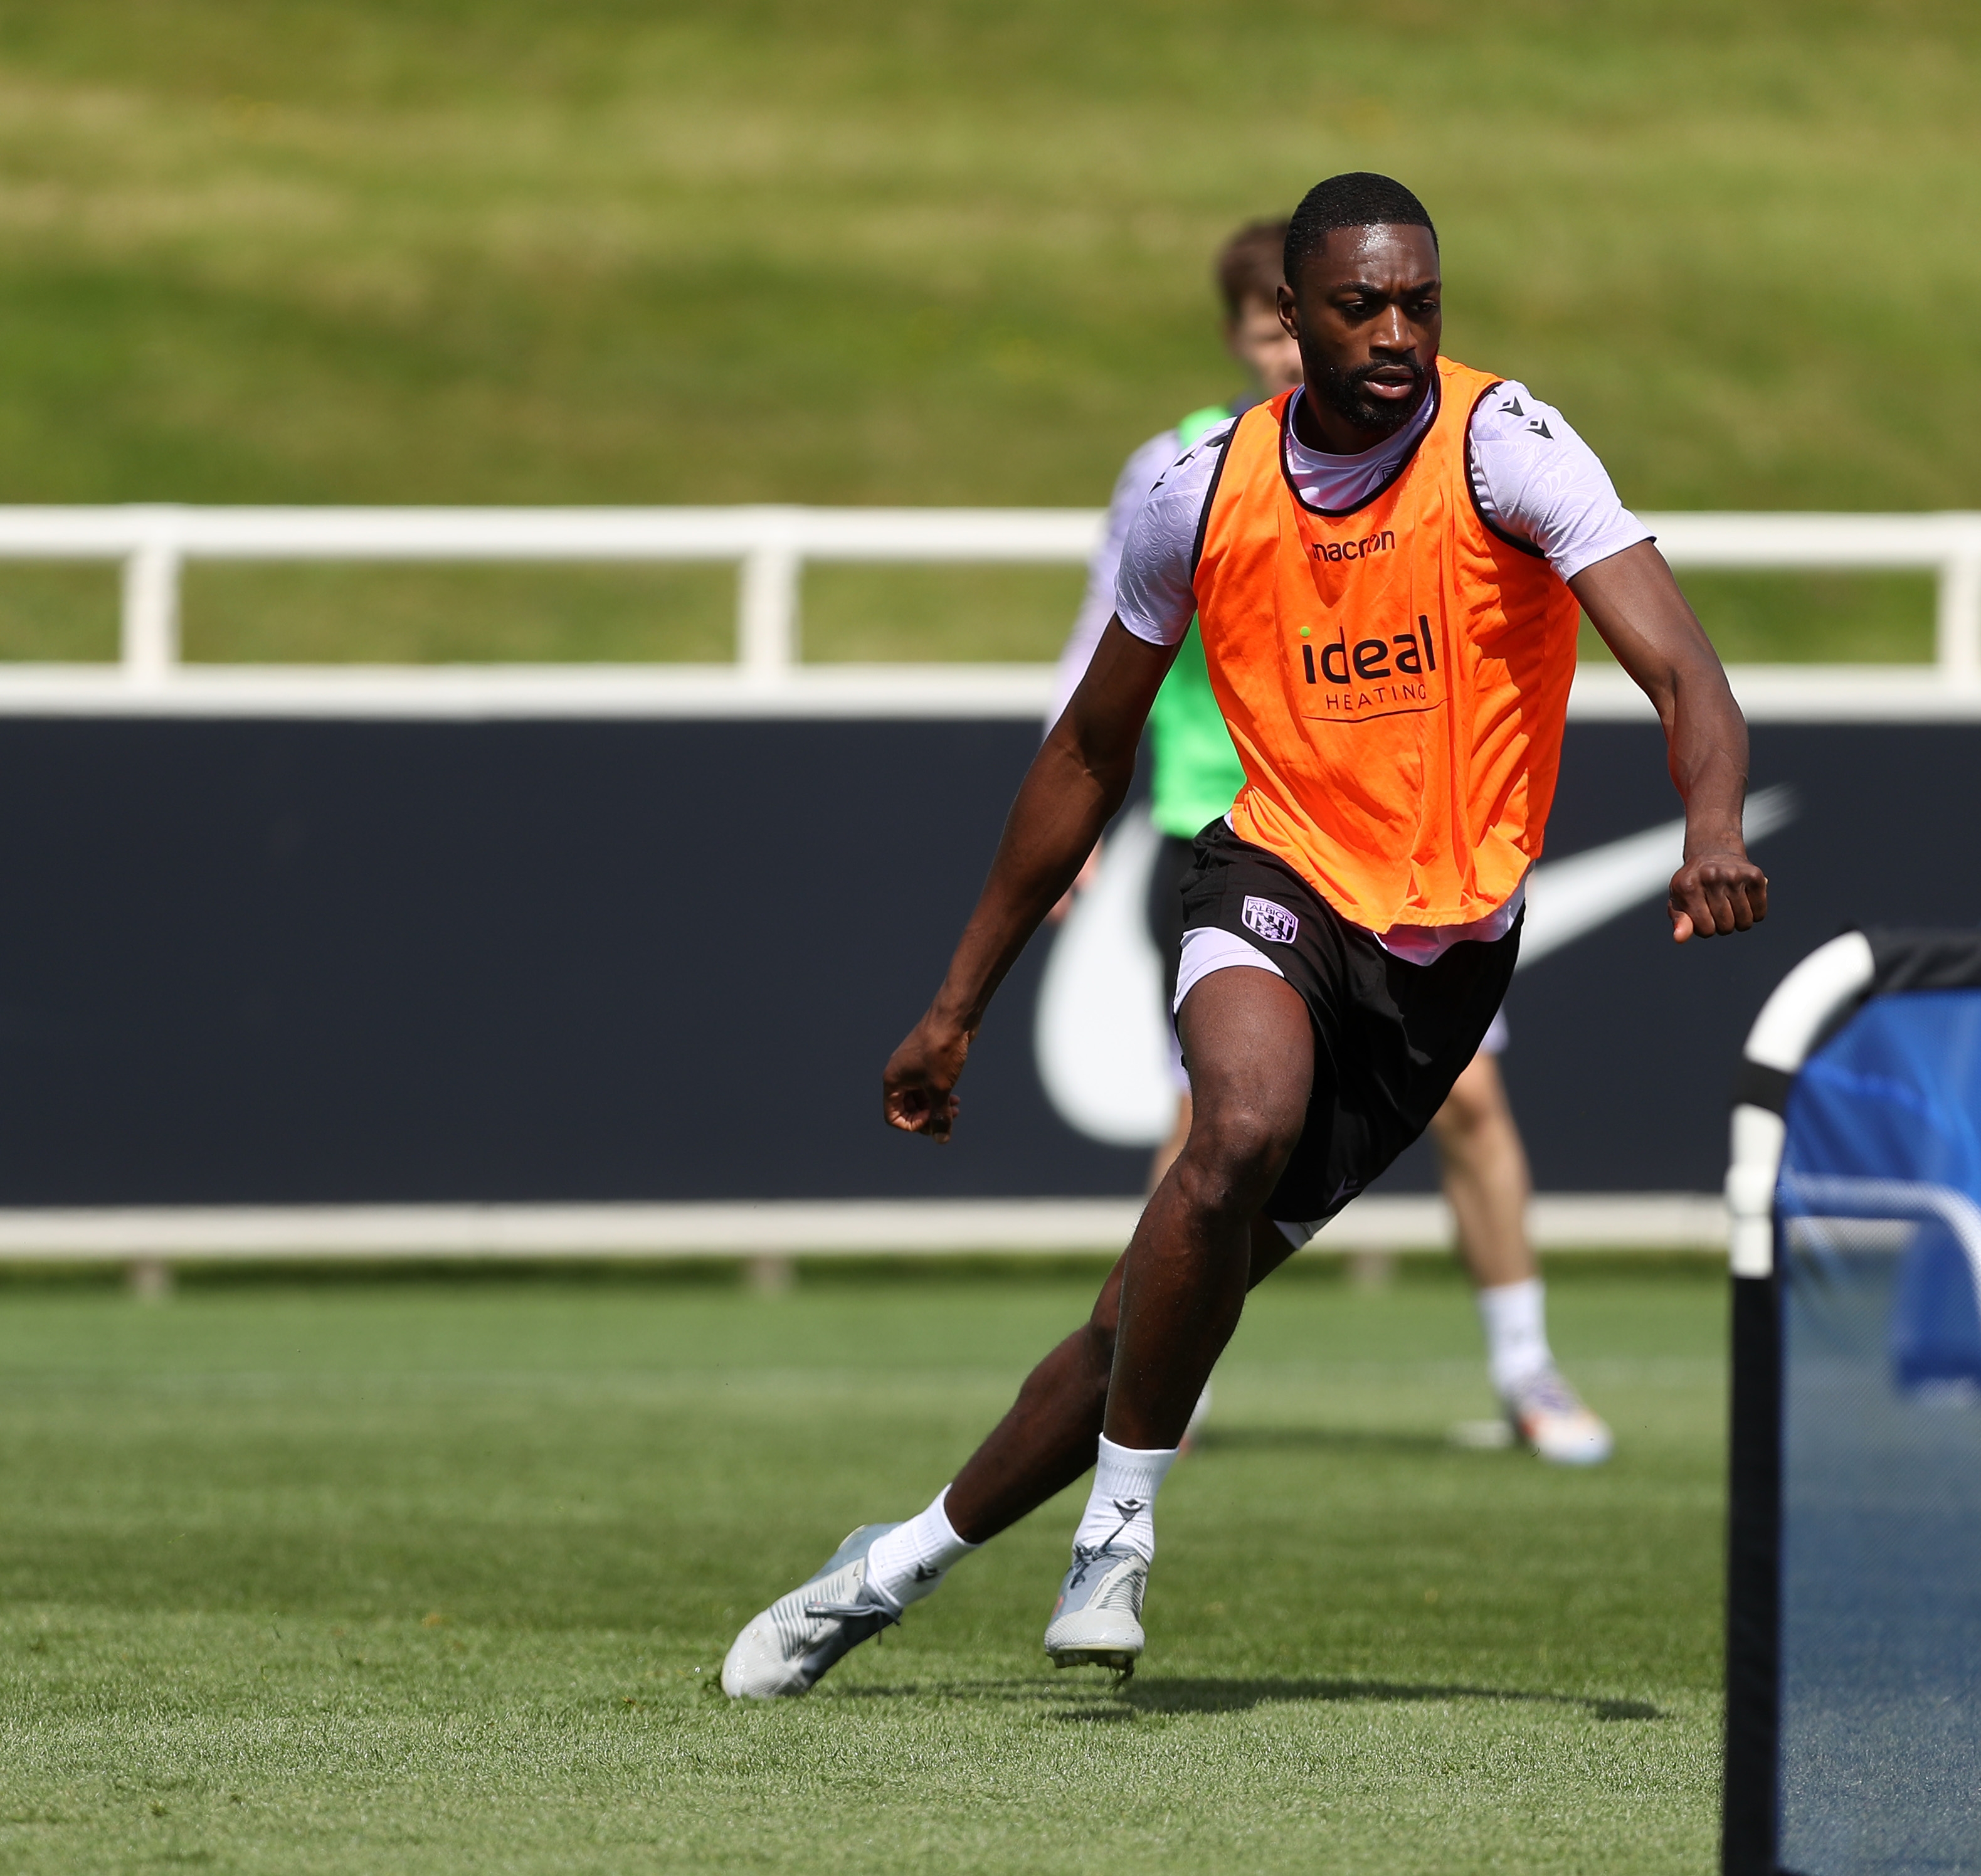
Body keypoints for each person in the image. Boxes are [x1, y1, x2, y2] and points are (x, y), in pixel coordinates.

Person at [723, 172, 1766, 1698]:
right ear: (1288, 317)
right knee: (1236, 1127)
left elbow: (1683, 670)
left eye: (1420, 301)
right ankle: (1121, 1530)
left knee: (1131, 1324)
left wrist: (1716, 827)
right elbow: (1084, 747)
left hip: (1442, 959)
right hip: (1268, 873)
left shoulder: (1509, 448)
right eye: (1360, 306)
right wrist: (956, 1004)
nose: (1396, 333)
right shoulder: (1192, 488)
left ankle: (887, 1564)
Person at [1049, 218, 1611, 1466]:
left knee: (1465, 1098)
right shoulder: (1187, 469)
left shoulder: (1439, 454)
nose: (1280, 353)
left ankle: (1525, 1367)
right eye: (1260, 330)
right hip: (1230, 823)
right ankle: (1162, 1373)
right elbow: (1100, 645)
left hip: (1396, 841)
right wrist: (1069, 833)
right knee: (1213, 1114)